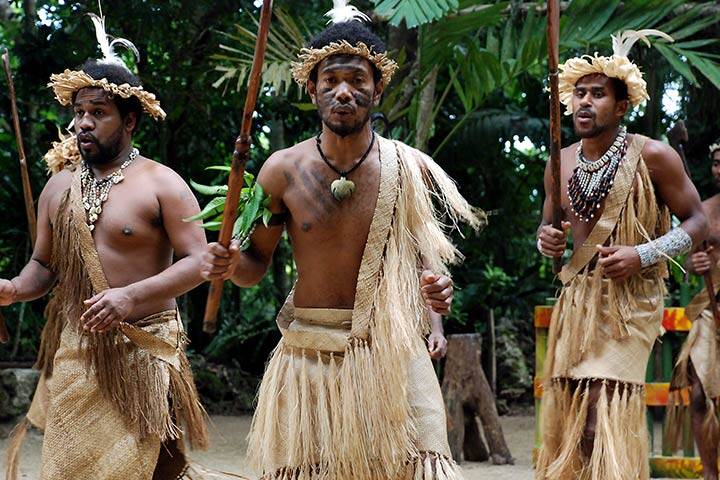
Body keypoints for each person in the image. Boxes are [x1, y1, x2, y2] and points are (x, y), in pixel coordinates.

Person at [201, 2, 484, 479]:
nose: (344, 92)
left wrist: (436, 304)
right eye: (330, 81)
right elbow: (254, 269)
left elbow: (424, 261)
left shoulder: (406, 167)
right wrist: (228, 265)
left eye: (357, 80)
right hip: (309, 352)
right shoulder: (282, 171)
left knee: (423, 466)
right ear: (312, 89)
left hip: (392, 349)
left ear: (378, 87)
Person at [0, 13, 226, 479]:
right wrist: (14, 289)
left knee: (136, 469)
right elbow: (43, 265)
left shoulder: (162, 183)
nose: (83, 123)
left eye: (97, 113)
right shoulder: (57, 188)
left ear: (129, 121)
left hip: (142, 350)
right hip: (76, 354)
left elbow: (200, 262)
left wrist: (130, 297)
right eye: (79, 112)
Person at [535, 30, 708, 479]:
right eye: (579, 93)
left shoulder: (654, 156)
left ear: (622, 105)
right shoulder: (560, 160)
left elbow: (697, 222)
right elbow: (548, 226)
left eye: (597, 94)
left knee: (600, 406)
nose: (584, 102)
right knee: (577, 408)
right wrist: (546, 240)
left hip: (631, 303)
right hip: (577, 302)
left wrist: (643, 253)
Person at [665, 140, 720, 480]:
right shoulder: (705, 211)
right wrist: (694, 262)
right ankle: (709, 474)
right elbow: (683, 266)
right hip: (709, 313)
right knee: (700, 394)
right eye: (716, 162)